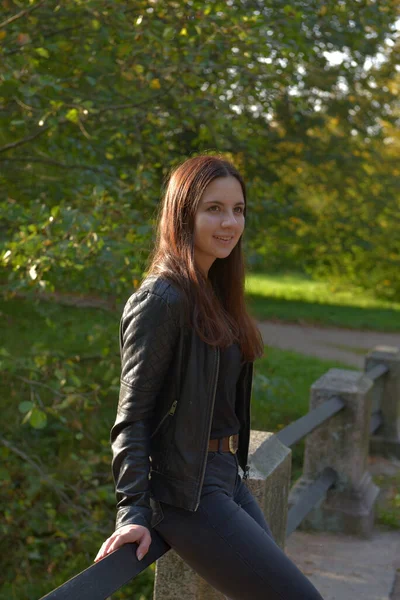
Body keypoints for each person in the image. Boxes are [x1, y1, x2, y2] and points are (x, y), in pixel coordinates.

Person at [94, 154, 324, 599]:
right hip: (186, 494)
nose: (229, 222)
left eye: (238, 210)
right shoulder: (161, 299)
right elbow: (131, 419)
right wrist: (132, 513)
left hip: (224, 476)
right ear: (184, 214)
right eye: (213, 208)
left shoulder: (215, 293)